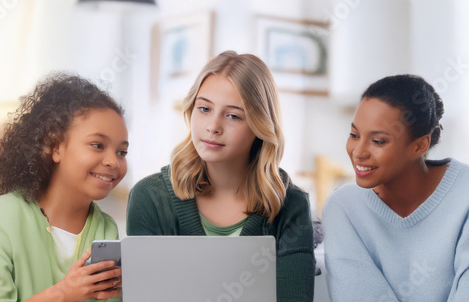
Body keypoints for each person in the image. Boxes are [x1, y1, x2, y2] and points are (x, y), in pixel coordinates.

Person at [126, 50, 315, 301]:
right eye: (204, 108)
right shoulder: (149, 197)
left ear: (260, 125)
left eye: (233, 115)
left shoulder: (292, 204)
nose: (213, 126)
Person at [0, 74, 129, 301]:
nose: (113, 161)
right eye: (97, 145)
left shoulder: (106, 229)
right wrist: (63, 293)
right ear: (55, 147)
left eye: (122, 152)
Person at [323, 74, 469, 301]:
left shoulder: (464, 193)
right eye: (354, 135)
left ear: (420, 145)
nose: (358, 152)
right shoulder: (344, 207)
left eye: (378, 141)